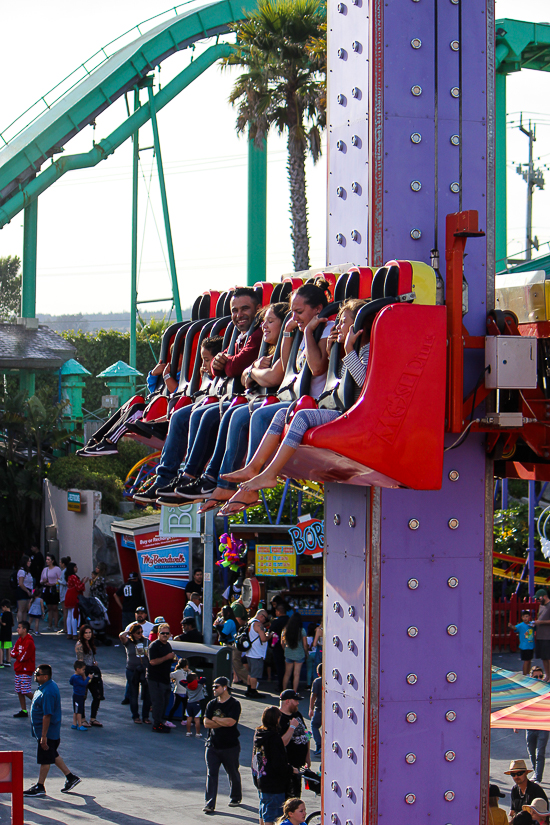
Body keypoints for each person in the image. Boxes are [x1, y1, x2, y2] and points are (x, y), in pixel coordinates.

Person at [227, 299, 370, 504]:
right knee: (281, 414)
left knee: (301, 416)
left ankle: (271, 473)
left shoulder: (366, 350)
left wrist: (347, 351)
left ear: (358, 327)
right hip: (336, 407)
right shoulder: (344, 349)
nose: (337, 327)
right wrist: (333, 353)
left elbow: (364, 382)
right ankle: (254, 467)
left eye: (343, 322)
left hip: (350, 414)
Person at [219, 279, 335, 514]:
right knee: (244, 413)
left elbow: (318, 368)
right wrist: (290, 332)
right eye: (292, 312)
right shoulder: (301, 330)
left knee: (261, 415)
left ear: (317, 310)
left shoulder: (325, 328)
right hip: (297, 401)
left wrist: (309, 332)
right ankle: (249, 471)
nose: (295, 318)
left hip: (314, 403)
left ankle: (249, 485)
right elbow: (288, 368)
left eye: (299, 312)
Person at [137, 291, 263, 504]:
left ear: (257, 309)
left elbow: (234, 366)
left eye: (245, 309)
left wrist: (226, 363)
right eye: (235, 310)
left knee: (205, 415)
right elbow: (219, 368)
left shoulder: (257, 334)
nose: (239, 314)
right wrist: (222, 364)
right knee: (181, 415)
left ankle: (192, 476)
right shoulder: (239, 336)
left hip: (245, 399)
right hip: (231, 396)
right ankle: (166, 477)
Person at [192, 301, 289, 513]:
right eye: (263, 322)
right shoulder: (266, 348)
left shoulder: (286, 343)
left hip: (283, 402)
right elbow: (241, 375)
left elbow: (268, 375)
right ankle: (211, 479)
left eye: (270, 321)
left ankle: (246, 482)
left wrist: (252, 371)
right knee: (231, 415)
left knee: (252, 415)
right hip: (262, 398)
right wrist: (253, 370)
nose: (263, 326)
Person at [78, 353, 179, 457]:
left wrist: (167, 376)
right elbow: (155, 390)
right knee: (132, 403)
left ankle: (109, 443)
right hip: (160, 407)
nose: (171, 361)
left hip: (169, 413)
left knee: (137, 409)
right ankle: (96, 439)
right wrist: (154, 374)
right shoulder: (172, 372)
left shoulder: (184, 375)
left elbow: (177, 392)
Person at [23, 663, 81, 797]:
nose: (35, 676)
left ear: (45, 676)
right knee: (52, 754)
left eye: (37, 674)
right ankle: (70, 777)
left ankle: (40, 786)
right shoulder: (46, 686)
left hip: (47, 732)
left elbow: (47, 715)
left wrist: (44, 736)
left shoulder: (48, 692)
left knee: (45, 759)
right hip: (48, 732)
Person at [252, 705, 298, 825]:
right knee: (274, 816)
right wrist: (291, 770)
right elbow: (278, 763)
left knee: (264, 810)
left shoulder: (259, 734)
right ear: (276, 719)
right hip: (274, 783)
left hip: (261, 779)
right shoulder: (274, 738)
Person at [203, 676, 242, 813]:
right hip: (212, 745)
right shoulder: (211, 704)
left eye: (216, 686)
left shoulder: (234, 704)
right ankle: (209, 803)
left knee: (232, 772)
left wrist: (216, 720)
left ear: (225, 687)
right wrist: (221, 721)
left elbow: (231, 722)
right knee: (211, 774)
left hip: (230, 746)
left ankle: (235, 797)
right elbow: (206, 723)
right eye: (213, 686)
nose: (214, 689)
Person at [278, 689, 311, 799]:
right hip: (287, 767)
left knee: (296, 797)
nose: (298, 703)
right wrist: (291, 727)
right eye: (295, 700)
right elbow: (280, 743)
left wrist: (307, 756)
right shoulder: (279, 719)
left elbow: (306, 734)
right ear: (287, 701)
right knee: (288, 800)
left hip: (299, 765)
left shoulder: (297, 714)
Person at [119, 622, 151, 724]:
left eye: (141, 632)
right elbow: (121, 635)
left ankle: (145, 716)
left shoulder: (146, 641)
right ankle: (135, 716)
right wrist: (129, 632)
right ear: (133, 633)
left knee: (147, 695)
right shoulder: (129, 642)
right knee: (134, 694)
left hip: (144, 669)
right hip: (132, 670)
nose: (140, 634)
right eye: (137, 632)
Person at [147, 622, 175, 733]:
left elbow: (168, 658)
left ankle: (161, 722)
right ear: (158, 633)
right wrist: (166, 657)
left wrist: (172, 659)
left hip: (165, 678)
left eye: (167, 633)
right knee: (158, 702)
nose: (164, 635)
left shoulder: (168, 645)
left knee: (165, 702)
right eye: (162, 633)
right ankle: (156, 724)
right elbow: (152, 662)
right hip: (155, 679)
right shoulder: (154, 645)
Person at [75, 624, 104, 727]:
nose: (88, 635)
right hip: (84, 671)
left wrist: (94, 664)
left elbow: (91, 657)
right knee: (83, 696)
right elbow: (80, 661)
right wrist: (83, 676)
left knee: (97, 695)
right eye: (86, 633)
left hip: (92, 670)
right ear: (82, 634)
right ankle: (82, 719)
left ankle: (93, 718)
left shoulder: (90, 643)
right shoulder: (80, 645)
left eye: (89, 632)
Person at [11, 620, 36, 717]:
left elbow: (23, 657)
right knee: (19, 690)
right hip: (19, 669)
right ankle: (24, 710)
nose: (17, 629)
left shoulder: (29, 642)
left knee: (25, 690)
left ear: (25, 629)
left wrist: (17, 655)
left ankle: (40, 703)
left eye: (19, 627)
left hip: (26, 669)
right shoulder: (19, 640)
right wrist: (18, 654)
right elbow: (12, 652)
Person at [281, 612, 308, 693]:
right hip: (299, 654)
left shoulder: (286, 629)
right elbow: (305, 644)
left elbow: (282, 643)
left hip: (288, 654)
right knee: (296, 674)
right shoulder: (302, 631)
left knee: (287, 674)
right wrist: (306, 653)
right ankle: (294, 692)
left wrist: (285, 650)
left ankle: (283, 691)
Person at [247, 609, 269, 698]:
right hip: (256, 653)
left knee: (250, 673)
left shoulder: (250, 622)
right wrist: (269, 636)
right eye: (265, 618)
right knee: (254, 674)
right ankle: (253, 691)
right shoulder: (258, 624)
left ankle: (249, 689)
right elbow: (263, 639)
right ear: (261, 616)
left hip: (249, 652)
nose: (265, 621)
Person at [268, 603, 289, 691]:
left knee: (280, 668)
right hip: (289, 646)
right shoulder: (290, 620)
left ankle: (281, 685)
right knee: (289, 667)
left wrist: (270, 645)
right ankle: (289, 685)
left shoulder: (276, 622)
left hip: (277, 647)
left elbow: (270, 633)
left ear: (278, 612)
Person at [509, 610, 536, 676]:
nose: (525, 618)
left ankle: (528, 674)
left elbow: (536, 628)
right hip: (524, 646)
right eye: (524, 617)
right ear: (522, 618)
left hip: (531, 646)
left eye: (527, 616)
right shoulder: (521, 625)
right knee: (526, 661)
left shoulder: (531, 625)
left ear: (529, 617)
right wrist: (511, 626)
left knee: (529, 661)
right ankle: (524, 675)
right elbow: (515, 628)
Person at [65, 562, 87, 640]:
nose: (76, 568)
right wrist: (83, 582)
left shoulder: (68, 577)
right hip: (74, 596)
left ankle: (69, 632)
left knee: (69, 615)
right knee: (75, 614)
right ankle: (74, 633)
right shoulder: (74, 577)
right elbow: (78, 587)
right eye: (75, 567)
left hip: (68, 595)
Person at [230, 596, 249, 685]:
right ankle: (247, 680)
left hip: (233, 637)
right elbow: (237, 620)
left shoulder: (235, 606)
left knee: (235, 659)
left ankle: (236, 677)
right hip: (236, 637)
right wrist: (245, 623)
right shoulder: (238, 607)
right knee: (237, 659)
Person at [40, 553, 62, 631]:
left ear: (52, 561)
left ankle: (55, 625)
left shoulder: (57, 569)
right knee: (49, 607)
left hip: (54, 589)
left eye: (48, 559)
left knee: (55, 607)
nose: (47, 561)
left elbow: (60, 579)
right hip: (47, 589)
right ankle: (49, 625)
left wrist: (54, 583)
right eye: (46, 559)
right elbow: (41, 581)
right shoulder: (45, 569)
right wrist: (44, 582)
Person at [70, 660, 93, 731]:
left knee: (75, 711)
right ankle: (80, 725)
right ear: (78, 669)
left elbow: (71, 682)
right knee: (79, 711)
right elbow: (84, 684)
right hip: (79, 696)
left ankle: (74, 724)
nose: (84, 671)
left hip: (76, 695)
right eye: (83, 670)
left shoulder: (74, 677)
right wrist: (89, 678)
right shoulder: (77, 677)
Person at [167, 657, 189, 726]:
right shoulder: (178, 672)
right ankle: (168, 721)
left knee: (185, 707)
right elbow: (170, 675)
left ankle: (184, 720)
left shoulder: (187, 672)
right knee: (175, 706)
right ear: (185, 666)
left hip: (185, 693)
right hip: (178, 692)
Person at [185, 671, 206, 737]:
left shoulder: (187, 686)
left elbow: (181, 681)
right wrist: (198, 680)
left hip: (189, 703)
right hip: (196, 704)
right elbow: (204, 678)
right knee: (197, 719)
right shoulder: (199, 685)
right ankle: (197, 733)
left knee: (189, 719)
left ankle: (188, 732)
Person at [309, 664, 322, 757]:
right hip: (328, 709)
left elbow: (313, 696)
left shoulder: (317, 682)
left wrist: (311, 708)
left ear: (318, 673)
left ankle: (319, 745)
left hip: (319, 709)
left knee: (314, 725)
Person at [16, 554, 33, 623]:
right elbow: (21, 583)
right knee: (21, 608)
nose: (30, 563)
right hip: (22, 590)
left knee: (25, 609)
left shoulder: (28, 572)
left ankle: (24, 624)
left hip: (28, 590)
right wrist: (26, 591)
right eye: (29, 561)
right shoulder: (21, 571)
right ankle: (20, 624)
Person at [57, 556, 71, 635]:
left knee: (65, 610)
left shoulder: (64, 571)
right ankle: (66, 627)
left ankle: (65, 628)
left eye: (60, 562)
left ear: (63, 563)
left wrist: (58, 580)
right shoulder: (66, 571)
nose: (60, 564)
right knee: (67, 611)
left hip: (64, 592)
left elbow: (65, 582)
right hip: (65, 592)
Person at [0, 599, 14, 668]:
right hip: (9, 633)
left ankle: (1, 662)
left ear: (5, 606)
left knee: (1, 647)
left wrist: (0, 620)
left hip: (3, 633)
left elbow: (4, 623)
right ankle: (8, 661)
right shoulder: (11, 614)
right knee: (8, 647)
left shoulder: (5, 614)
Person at [305, 623, 319, 687]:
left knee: (309, 670)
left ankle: (308, 684)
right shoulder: (316, 637)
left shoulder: (307, 638)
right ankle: (315, 684)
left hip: (309, 654)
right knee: (316, 670)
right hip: (316, 653)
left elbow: (306, 647)